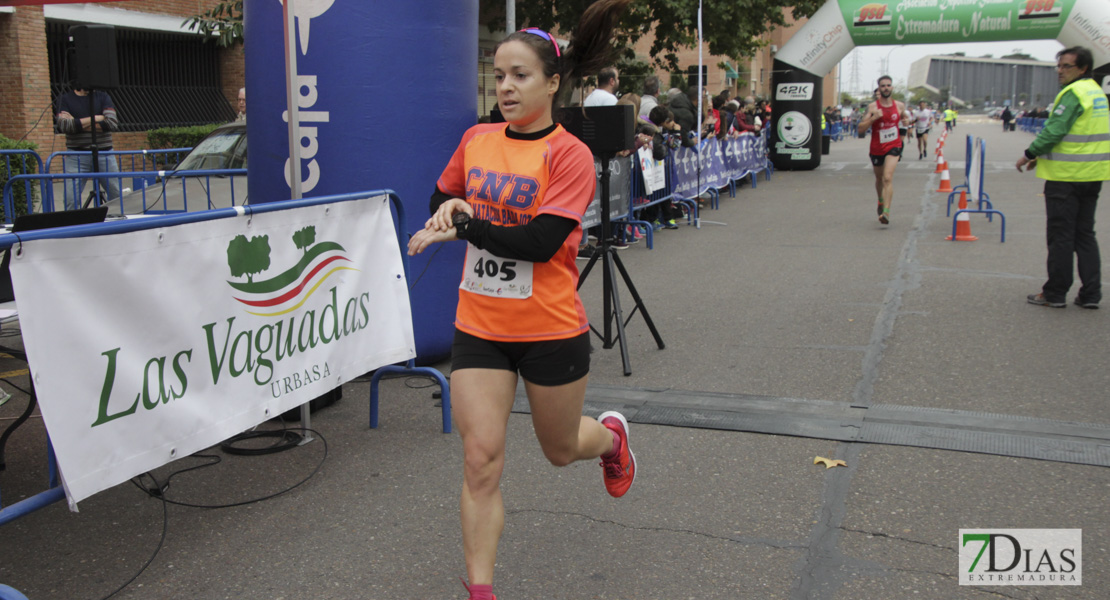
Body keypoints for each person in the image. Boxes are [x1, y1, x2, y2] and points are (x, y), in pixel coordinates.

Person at [405, 3, 637, 598]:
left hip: (549, 327)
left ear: (553, 83)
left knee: (561, 451)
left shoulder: (569, 155)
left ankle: (611, 438)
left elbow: (540, 242)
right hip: (480, 325)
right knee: (480, 459)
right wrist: (449, 210)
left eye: (520, 76)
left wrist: (466, 226)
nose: (505, 87)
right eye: (499, 75)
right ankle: (480, 590)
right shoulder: (477, 139)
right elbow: (443, 192)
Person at [1016, 46, 1107, 310]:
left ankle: (1055, 292)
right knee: (1085, 235)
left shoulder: (1073, 94)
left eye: (1066, 66)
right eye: (1059, 66)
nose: (1060, 71)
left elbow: (1055, 130)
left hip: (1066, 178)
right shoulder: (1096, 93)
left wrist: (1030, 153)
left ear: (1083, 69)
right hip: (1092, 176)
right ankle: (1091, 294)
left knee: (1061, 236)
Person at [54, 87, 121, 211]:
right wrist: (96, 118)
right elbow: (65, 126)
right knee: (71, 198)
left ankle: (116, 222)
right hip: (76, 154)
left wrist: (76, 122)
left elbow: (112, 123)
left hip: (104, 152)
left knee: (115, 194)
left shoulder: (103, 96)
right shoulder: (65, 99)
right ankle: (73, 227)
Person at [858, 75, 909, 225]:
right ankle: (880, 200)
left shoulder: (899, 105)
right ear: (879, 89)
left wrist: (906, 121)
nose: (886, 88)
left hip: (894, 145)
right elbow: (860, 129)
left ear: (892, 88)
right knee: (879, 179)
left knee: (887, 177)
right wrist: (873, 118)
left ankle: (886, 212)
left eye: (888, 85)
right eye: (883, 86)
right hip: (877, 146)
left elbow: (905, 118)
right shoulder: (873, 107)